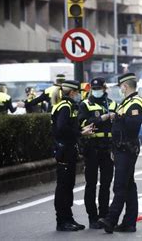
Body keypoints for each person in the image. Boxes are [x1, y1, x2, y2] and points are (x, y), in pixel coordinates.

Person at [98, 73, 142, 234]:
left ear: (125, 86)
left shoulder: (136, 103)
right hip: (120, 148)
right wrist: (113, 149)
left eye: (120, 87)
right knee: (129, 185)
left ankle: (111, 219)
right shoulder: (125, 103)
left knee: (120, 185)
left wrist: (117, 117)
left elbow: (132, 126)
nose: (120, 89)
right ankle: (129, 223)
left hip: (127, 148)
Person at [51, 80, 94, 232]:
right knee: (63, 187)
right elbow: (61, 128)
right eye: (78, 92)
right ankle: (62, 221)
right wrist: (80, 133)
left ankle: (68, 218)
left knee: (68, 186)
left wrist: (82, 128)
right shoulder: (65, 106)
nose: (79, 95)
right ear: (72, 92)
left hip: (68, 150)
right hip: (64, 151)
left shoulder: (67, 105)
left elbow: (68, 127)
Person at [78, 78, 117, 229]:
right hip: (92, 148)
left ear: (104, 88)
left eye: (99, 87)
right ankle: (92, 218)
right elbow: (84, 124)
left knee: (106, 184)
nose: (96, 90)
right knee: (91, 184)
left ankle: (103, 216)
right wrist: (102, 118)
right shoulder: (85, 104)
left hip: (108, 148)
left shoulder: (112, 104)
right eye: (94, 88)